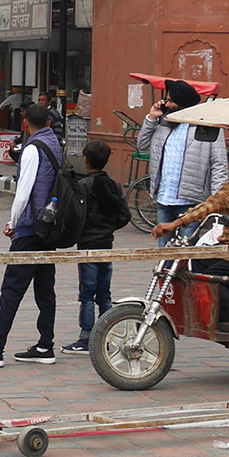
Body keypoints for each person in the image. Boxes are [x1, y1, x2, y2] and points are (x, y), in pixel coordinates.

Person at [0, 103, 62, 367]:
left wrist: (13, 222)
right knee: (45, 290)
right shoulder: (54, 143)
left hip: (30, 229)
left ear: (25, 122)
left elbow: (23, 193)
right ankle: (45, 345)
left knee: (11, 290)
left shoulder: (33, 148)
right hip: (47, 227)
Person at [153, 136, 229, 322]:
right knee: (198, 261)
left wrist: (175, 223)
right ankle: (219, 314)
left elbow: (213, 204)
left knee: (202, 281)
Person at [61, 139, 131, 354]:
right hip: (106, 243)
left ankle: (86, 338)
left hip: (88, 244)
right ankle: (106, 336)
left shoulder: (83, 186)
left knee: (87, 293)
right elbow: (124, 215)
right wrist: (108, 228)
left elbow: (75, 215)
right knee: (104, 294)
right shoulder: (113, 185)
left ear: (86, 160)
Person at [138, 79, 227, 228]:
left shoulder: (207, 128)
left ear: (182, 103)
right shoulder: (163, 126)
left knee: (186, 248)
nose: (166, 104)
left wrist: (216, 202)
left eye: (170, 101)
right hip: (163, 200)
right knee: (163, 248)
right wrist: (151, 118)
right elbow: (142, 145)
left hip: (191, 204)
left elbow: (219, 166)